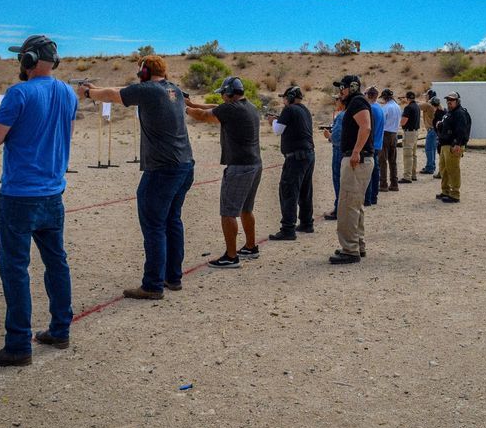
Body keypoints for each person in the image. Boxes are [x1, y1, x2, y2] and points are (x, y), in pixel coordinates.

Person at [0, 35, 77, 366]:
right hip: (52, 193)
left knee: (15, 270)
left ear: (29, 60)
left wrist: (3, 121)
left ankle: (18, 344)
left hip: (19, 195)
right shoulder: (68, 92)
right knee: (56, 262)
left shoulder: (18, 93)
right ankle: (60, 329)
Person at [81, 56, 194, 300]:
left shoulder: (149, 90)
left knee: (154, 224)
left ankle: (153, 284)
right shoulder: (173, 88)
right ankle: (172, 277)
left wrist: (89, 93)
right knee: (172, 221)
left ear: (144, 71)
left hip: (163, 169)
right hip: (185, 164)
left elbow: (114, 94)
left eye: (139, 69)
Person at [186, 77, 262, 267]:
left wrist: (183, 108)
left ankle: (231, 256)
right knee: (246, 208)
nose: (221, 96)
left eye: (223, 93)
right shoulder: (248, 106)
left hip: (239, 166)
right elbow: (216, 106)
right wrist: (193, 103)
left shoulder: (230, 109)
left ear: (228, 93)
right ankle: (251, 247)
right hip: (254, 163)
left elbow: (205, 116)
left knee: (228, 212)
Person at [330, 75, 373, 264]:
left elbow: (366, 127)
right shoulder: (357, 102)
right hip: (359, 159)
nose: (341, 91)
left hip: (356, 160)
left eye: (343, 87)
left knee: (347, 205)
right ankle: (357, 245)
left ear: (353, 87)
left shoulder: (357, 102)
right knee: (355, 204)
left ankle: (350, 249)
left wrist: (356, 151)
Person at [267, 86, 315, 240]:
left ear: (290, 97)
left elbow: (278, 130)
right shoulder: (304, 110)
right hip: (308, 154)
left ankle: (288, 229)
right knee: (305, 190)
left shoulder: (289, 110)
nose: (283, 100)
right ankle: (307, 223)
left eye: (285, 97)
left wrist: (273, 121)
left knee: (288, 191)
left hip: (296, 156)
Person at [435, 92, 471, 203]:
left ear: (457, 101)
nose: (449, 102)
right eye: (448, 100)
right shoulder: (450, 113)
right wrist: (440, 125)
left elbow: (462, 131)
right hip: (445, 145)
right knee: (444, 169)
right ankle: (445, 191)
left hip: (453, 145)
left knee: (453, 170)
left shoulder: (460, 113)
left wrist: (458, 144)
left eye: (452, 100)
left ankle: (455, 194)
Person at [322, 95, 346, 220]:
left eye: (337, 99)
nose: (335, 102)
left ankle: (338, 209)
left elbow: (336, 138)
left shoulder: (341, 116)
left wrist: (328, 135)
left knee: (338, 180)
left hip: (339, 150)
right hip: (347, 150)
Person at [364, 86, 385, 207]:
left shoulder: (370, 109)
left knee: (369, 172)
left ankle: (368, 198)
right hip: (378, 143)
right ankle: (373, 197)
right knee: (375, 171)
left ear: (369, 95)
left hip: (372, 144)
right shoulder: (379, 108)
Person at [378, 88, 401, 192]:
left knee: (383, 160)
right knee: (393, 160)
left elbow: (381, 122)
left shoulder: (386, 107)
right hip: (394, 134)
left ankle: (383, 184)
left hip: (385, 134)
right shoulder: (397, 106)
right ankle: (394, 183)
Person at [398, 90, 421, 183]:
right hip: (415, 132)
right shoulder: (417, 107)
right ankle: (413, 174)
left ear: (407, 98)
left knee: (407, 155)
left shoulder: (408, 108)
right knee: (414, 155)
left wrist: (400, 122)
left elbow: (403, 121)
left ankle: (407, 176)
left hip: (409, 133)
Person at [420, 90, 438, 176]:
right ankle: (431, 166)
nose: (425, 96)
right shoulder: (434, 104)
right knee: (432, 149)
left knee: (429, 149)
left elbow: (417, 105)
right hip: (434, 130)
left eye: (426, 95)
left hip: (431, 130)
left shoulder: (428, 105)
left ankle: (430, 167)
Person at [430, 96, 445, 179]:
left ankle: (441, 172)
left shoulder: (438, 113)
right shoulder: (444, 110)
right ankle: (441, 171)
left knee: (441, 155)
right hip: (442, 136)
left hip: (441, 137)